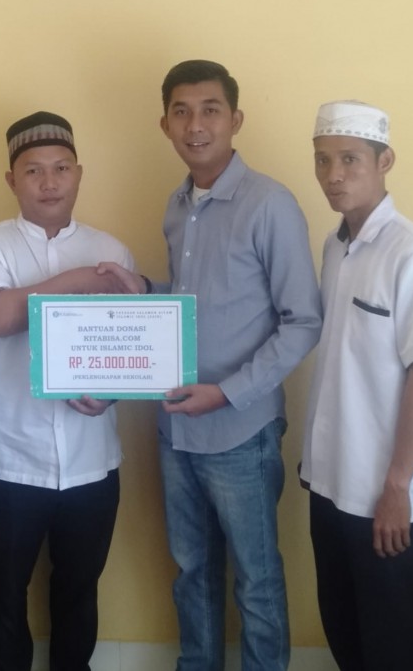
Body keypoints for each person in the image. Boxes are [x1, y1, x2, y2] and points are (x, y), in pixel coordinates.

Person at [101, 59, 321, 670]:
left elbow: (303, 321)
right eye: (181, 112)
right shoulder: (177, 206)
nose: (195, 125)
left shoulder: (270, 203)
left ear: (235, 119)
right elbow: (193, 301)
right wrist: (144, 289)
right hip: (176, 427)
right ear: (165, 124)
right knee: (192, 573)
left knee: (256, 581)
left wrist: (226, 393)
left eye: (210, 110)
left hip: (241, 432)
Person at [0, 111, 135, 671]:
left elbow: (133, 347)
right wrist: (80, 281)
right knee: (5, 587)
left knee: (79, 589)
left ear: (79, 174)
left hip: (91, 460)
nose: (49, 182)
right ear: (12, 180)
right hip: (10, 457)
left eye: (62, 168)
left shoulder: (113, 250)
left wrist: (110, 394)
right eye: (34, 170)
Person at [301, 100, 413, 671]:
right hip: (328, 484)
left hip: (382, 497)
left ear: (384, 161)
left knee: (391, 647)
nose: (333, 174)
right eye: (322, 160)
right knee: (344, 632)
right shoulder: (334, 246)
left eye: (349, 159)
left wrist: (397, 488)